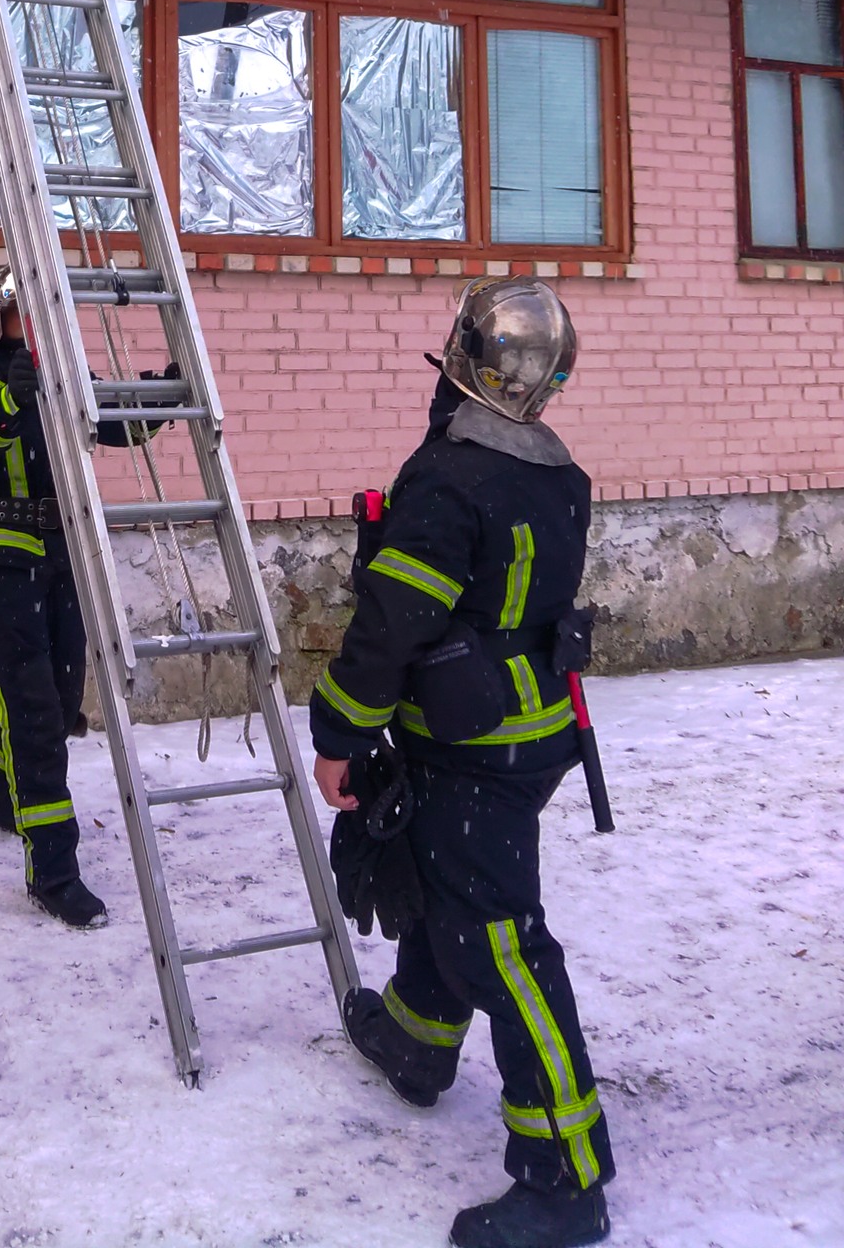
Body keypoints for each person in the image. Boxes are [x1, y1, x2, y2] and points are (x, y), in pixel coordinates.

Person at [310, 278, 614, 1248]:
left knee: (501, 942)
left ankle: (567, 1176)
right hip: (531, 735)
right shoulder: (557, 472)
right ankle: (416, 1034)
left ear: (466, 358)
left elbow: (396, 615)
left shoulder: (448, 479)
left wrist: (340, 730)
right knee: (445, 885)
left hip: (474, 748)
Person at [0, 267, 172, 929]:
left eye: (36, 316)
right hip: (4, 545)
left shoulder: (65, 372)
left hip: (63, 545)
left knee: (62, 697)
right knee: (35, 711)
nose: (27, 329)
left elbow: (113, 426)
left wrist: (155, 401)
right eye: (16, 315)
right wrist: (10, 403)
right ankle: (53, 868)